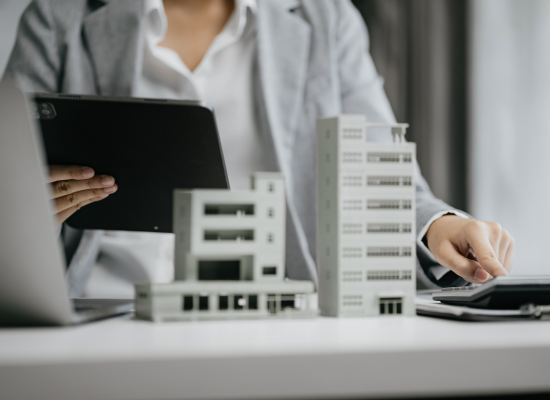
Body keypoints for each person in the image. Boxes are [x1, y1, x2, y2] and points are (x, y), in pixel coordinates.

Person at [4, 0, 513, 297]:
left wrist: (438, 224)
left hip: (273, 315)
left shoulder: (323, 18)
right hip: (100, 307)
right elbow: (9, 181)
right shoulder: (59, 17)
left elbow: (380, 168)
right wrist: (22, 213)